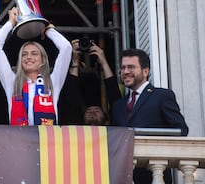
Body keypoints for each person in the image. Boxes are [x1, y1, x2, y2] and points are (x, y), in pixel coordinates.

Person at [112, 48, 189, 184]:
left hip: (154, 174)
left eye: (131, 67)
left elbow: (181, 130)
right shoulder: (118, 105)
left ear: (145, 71)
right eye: (123, 68)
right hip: (124, 176)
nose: (125, 72)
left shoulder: (161, 96)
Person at [0, 7, 72, 126]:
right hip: (19, 141)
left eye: (34, 54)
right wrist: (10, 23)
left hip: (47, 141)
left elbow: (66, 48)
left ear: (43, 60)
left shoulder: (52, 82)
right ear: (20, 60)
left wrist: (48, 29)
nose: (28, 57)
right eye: (24, 54)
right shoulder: (12, 82)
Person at [58, 39, 121, 125]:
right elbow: (71, 100)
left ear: (107, 121)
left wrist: (104, 62)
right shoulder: (76, 130)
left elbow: (115, 101)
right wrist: (75, 61)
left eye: (97, 111)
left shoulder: (113, 131)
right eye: (88, 111)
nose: (92, 113)